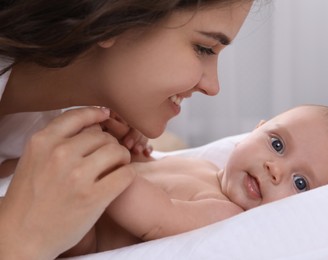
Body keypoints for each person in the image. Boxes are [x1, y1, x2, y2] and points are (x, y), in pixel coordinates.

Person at [0, 1, 255, 259]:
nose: (213, 87)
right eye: (204, 48)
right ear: (112, 20)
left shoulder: (37, 131)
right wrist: (19, 239)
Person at [58, 104, 328, 256]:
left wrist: (106, 159)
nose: (276, 169)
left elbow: (154, 216)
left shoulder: (224, 213)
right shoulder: (205, 167)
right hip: (74, 196)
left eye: (300, 183)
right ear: (255, 131)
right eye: (277, 145)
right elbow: (151, 171)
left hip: (77, 237)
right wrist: (131, 148)